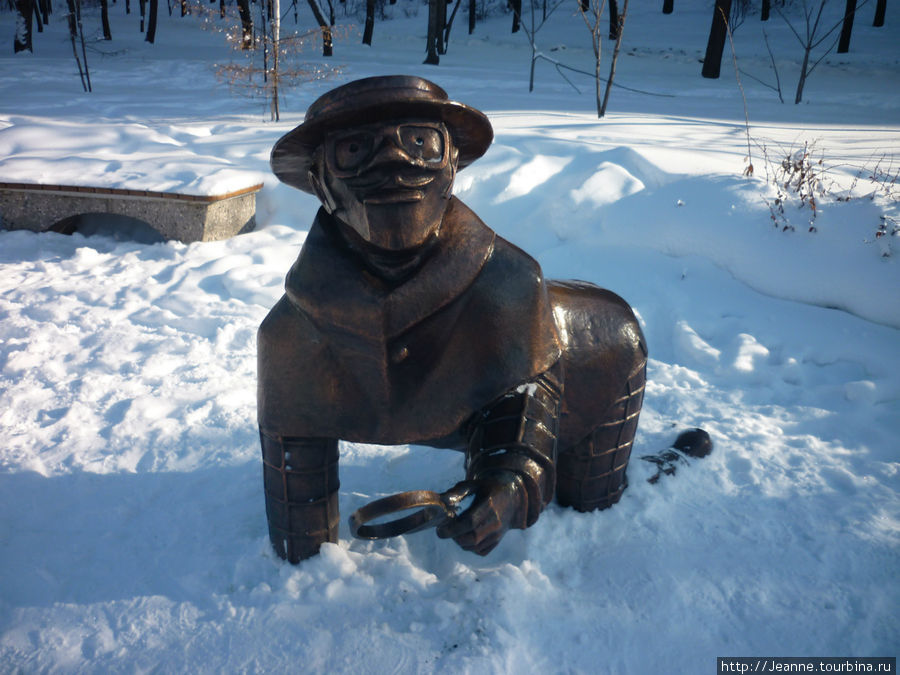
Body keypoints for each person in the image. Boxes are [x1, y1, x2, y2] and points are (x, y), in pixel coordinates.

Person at [259, 75, 647, 563]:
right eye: (354, 149)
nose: (394, 163)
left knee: (586, 506)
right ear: (320, 181)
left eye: (420, 142)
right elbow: (296, 494)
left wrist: (506, 488)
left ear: (452, 163)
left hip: (601, 367)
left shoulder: (511, 282)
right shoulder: (290, 335)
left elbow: (525, 401)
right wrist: (303, 549)